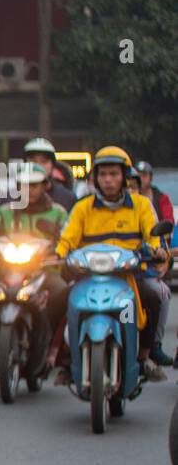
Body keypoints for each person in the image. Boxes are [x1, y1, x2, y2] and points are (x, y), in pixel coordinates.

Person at [54, 145, 169, 382]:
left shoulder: (141, 205)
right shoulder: (82, 207)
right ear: (95, 178)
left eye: (114, 174)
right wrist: (59, 253)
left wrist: (156, 250)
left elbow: (153, 236)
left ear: (125, 177)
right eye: (103, 174)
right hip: (89, 275)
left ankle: (144, 355)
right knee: (57, 298)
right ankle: (65, 357)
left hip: (130, 276)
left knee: (154, 294)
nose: (108, 180)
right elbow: (67, 237)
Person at [0, 162, 69, 366]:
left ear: (45, 186)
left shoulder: (57, 213)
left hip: (45, 271)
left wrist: (63, 252)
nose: (29, 190)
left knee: (63, 292)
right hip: (8, 270)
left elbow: (68, 238)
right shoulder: (6, 211)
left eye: (34, 185)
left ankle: (55, 346)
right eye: (24, 185)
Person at [131, 161, 174, 365]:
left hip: (141, 269)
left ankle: (151, 346)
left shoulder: (144, 207)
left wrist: (158, 252)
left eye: (133, 186)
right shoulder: (89, 206)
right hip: (103, 271)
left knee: (160, 293)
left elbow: (156, 239)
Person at [22, 137, 77, 213]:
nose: (38, 165)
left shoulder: (67, 198)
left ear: (53, 165)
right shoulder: (11, 198)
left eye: (43, 161)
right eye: (33, 161)